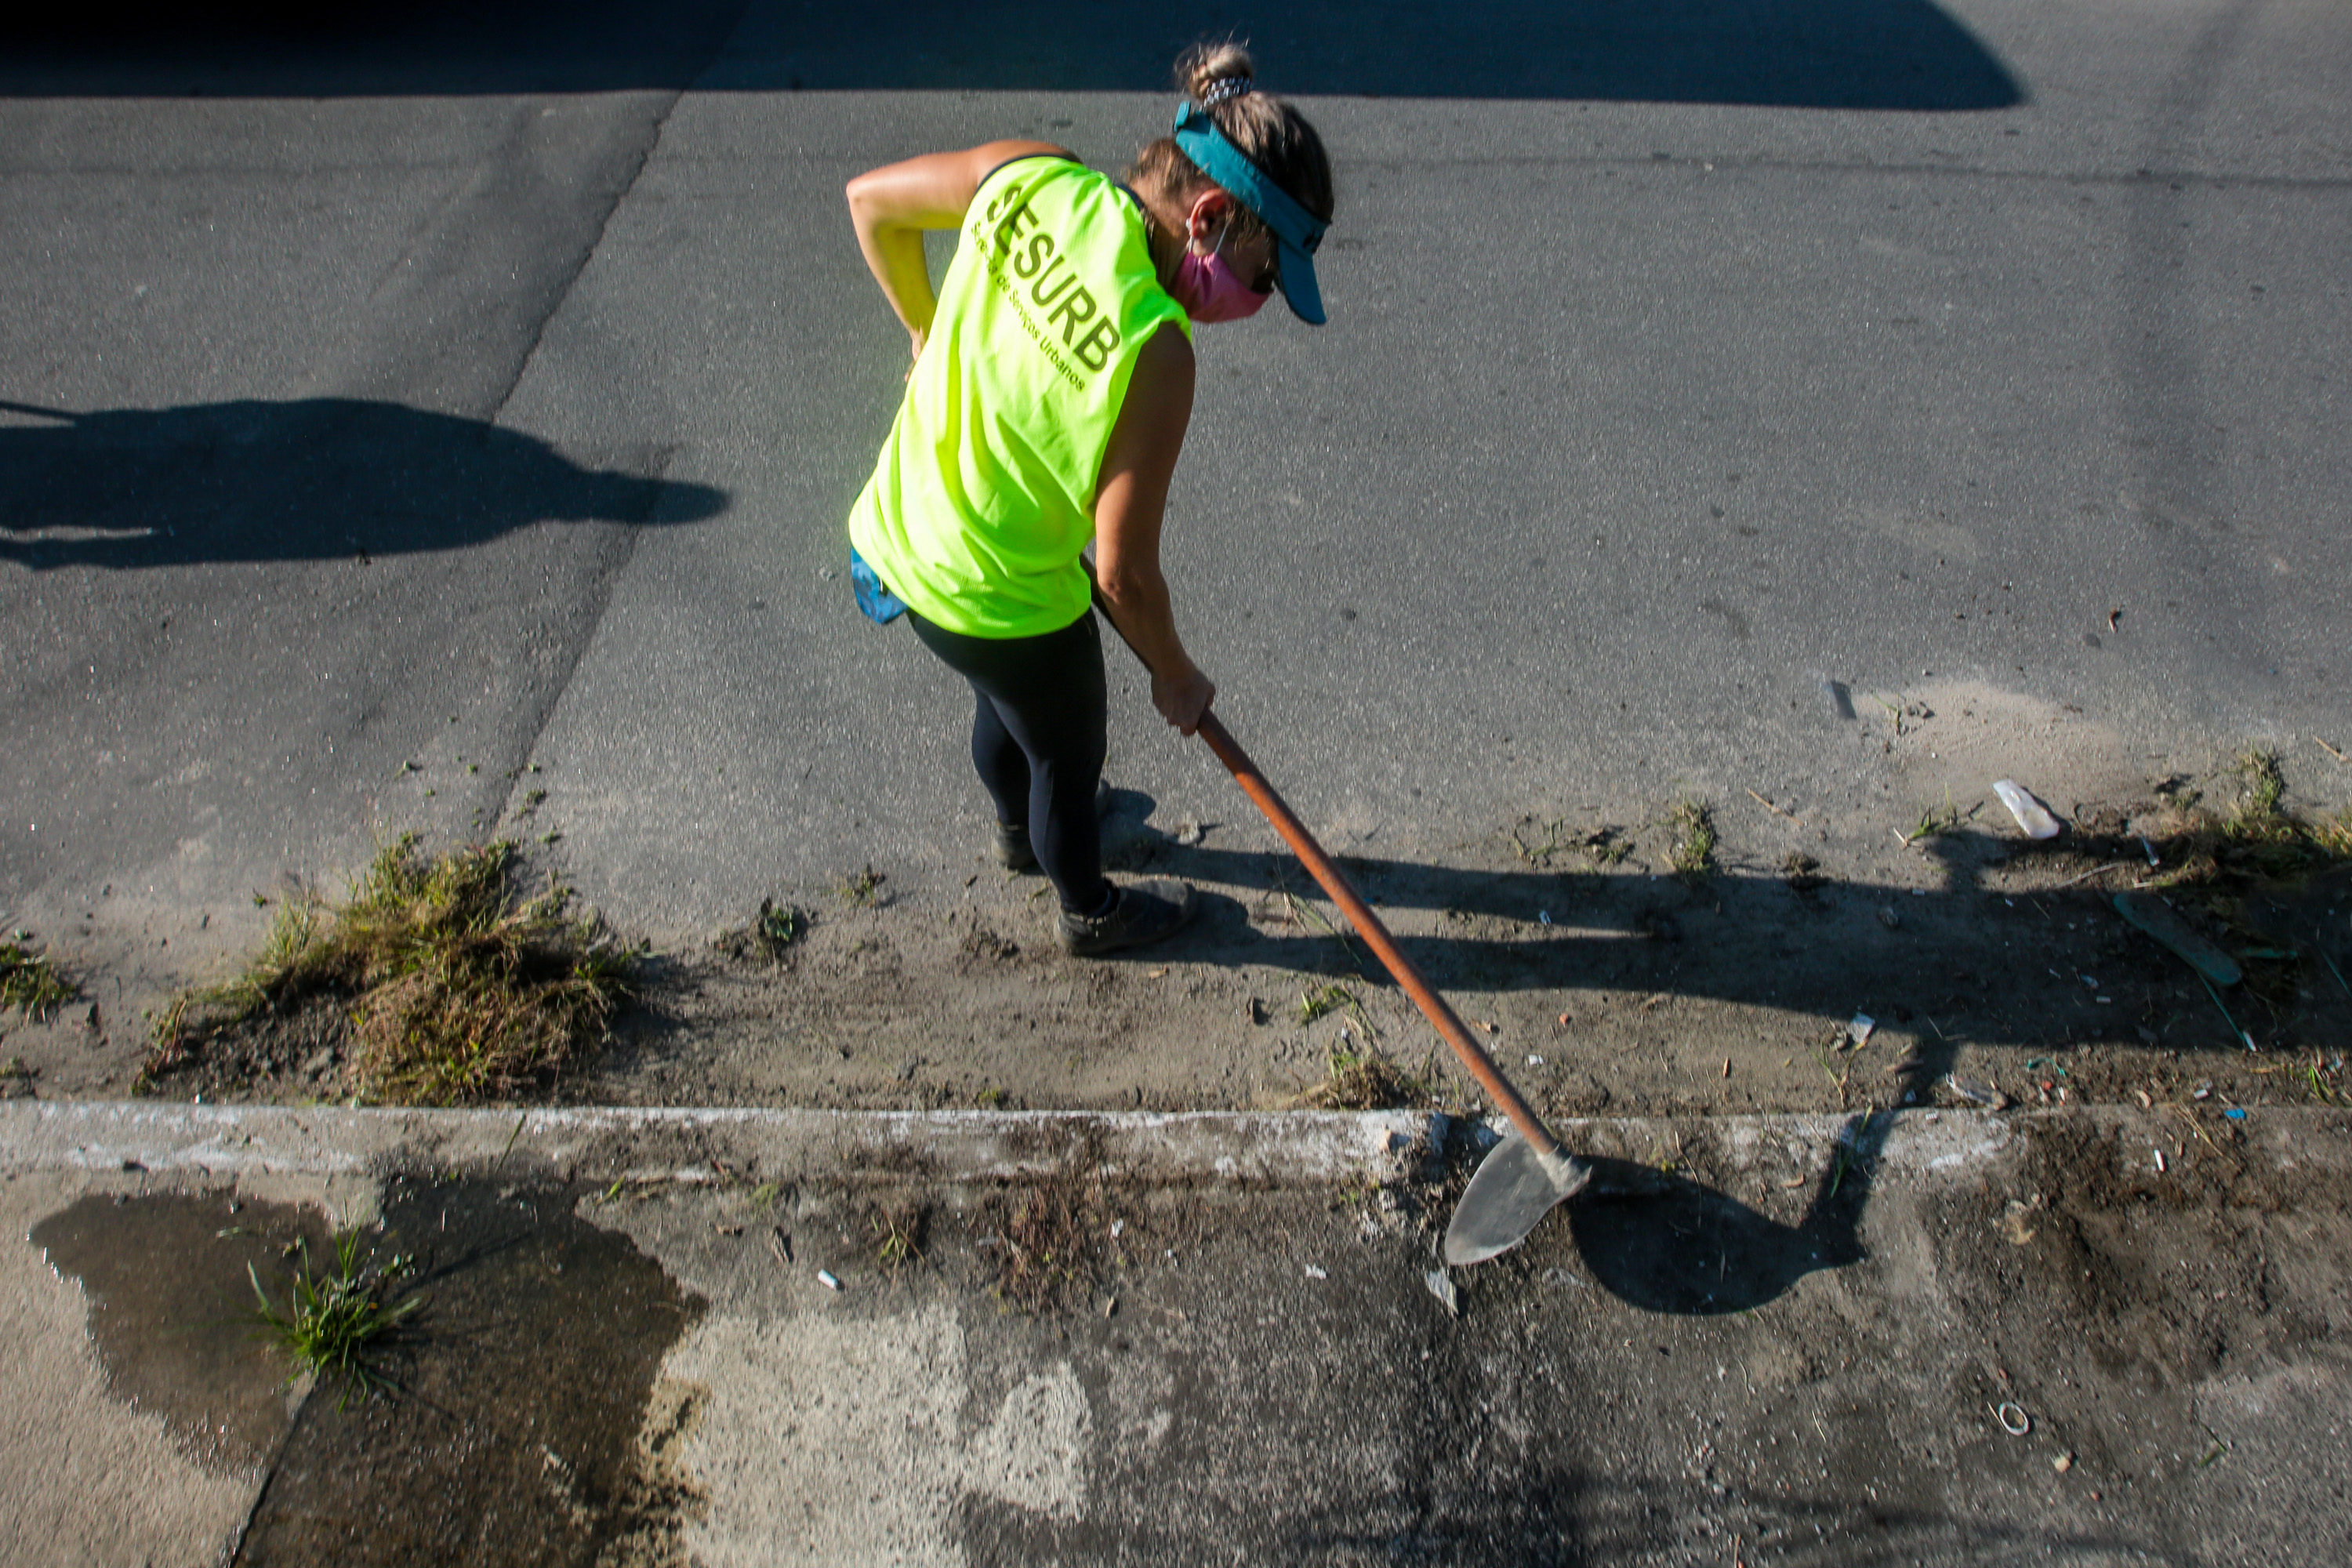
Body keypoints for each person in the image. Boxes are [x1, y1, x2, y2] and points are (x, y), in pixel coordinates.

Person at [843, 43, 1334, 956]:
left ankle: (1013, 831)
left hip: (904, 530)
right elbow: (1122, 575)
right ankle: (1087, 909)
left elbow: (871, 204)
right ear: (1212, 219)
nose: (1260, 300)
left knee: (1009, 702)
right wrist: (1176, 675)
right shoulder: (1157, 349)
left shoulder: (1036, 176)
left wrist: (923, 325)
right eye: (1265, 275)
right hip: (1004, 592)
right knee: (1068, 757)